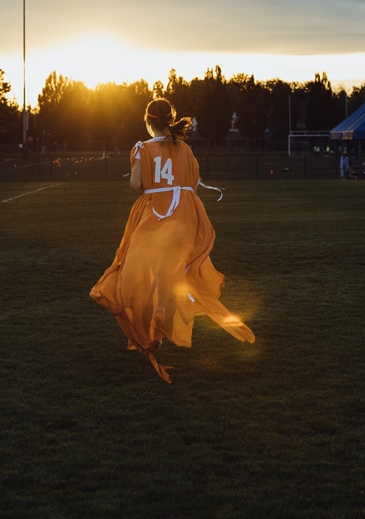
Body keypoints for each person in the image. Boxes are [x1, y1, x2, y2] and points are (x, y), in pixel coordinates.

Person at [89, 98, 253, 383]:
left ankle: (150, 325)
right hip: (186, 214)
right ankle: (162, 312)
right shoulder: (185, 148)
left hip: (156, 213)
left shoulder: (143, 148)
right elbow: (194, 178)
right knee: (170, 269)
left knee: (133, 268)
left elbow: (136, 185)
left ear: (148, 121)